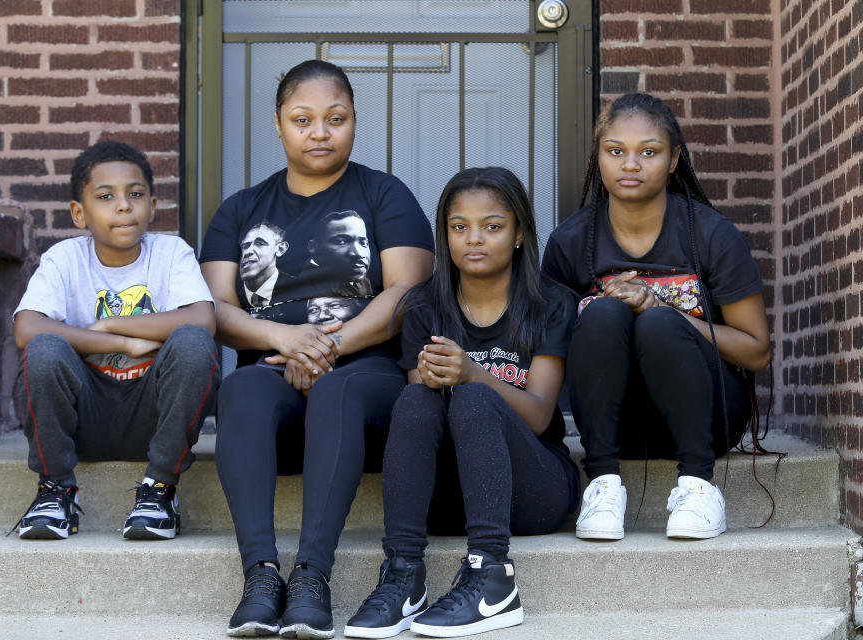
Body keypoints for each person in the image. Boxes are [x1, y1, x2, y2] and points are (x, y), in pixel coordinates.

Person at [199, 59, 434, 639]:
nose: (320, 132)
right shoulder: (241, 208)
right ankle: (259, 574)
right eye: (302, 119)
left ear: (355, 121)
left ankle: (311, 577)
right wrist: (284, 338)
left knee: (340, 387)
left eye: (336, 118)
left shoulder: (385, 194)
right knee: (242, 391)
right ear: (278, 125)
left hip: (366, 371)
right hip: (272, 366)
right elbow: (214, 308)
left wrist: (330, 347)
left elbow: (409, 291)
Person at [344, 167, 580, 639]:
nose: (474, 239)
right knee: (415, 398)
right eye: (459, 227)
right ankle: (404, 574)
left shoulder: (551, 303)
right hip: (449, 497)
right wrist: (439, 380)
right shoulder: (423, 306)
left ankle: (493, 577)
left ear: (518, 235)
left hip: (534, 491)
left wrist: (474, 373)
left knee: (473, 399)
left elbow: (537, 417)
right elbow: (423, 413)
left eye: (492, 226)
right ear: (445, 234)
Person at [541, 93, 770, 541]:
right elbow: (551, 348)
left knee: (661, 323)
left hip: (707, 415)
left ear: (673, 160)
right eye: (615, 151)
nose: (630, 164)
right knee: (604, 314)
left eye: (648, 151)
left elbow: (757, 352)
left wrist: (660, 307)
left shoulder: (711, 234)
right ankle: (603, 485)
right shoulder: (570, 242)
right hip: (615, 423)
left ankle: (699, 487)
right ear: (598, 158)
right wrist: (598, 306)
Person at [10, 141, 220, 541]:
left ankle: (159, 489)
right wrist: (124, 345)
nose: (124, 206)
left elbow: (201, 318)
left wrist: (110, 327)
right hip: (84, 419)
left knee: (193, 344)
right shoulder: (65, 258)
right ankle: (55, 490)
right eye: (106, 197)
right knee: (43, 351)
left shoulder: (171, 252)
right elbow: (27, 328)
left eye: (135, 194)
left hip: (153, 416)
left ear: (153, 206)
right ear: (79, 212)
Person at [238, 222, 295, 308]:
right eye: (245, 246)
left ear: (280, 249)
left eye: (260, 243)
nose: (248, 251)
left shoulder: (298, 289)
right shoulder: (231, 297)